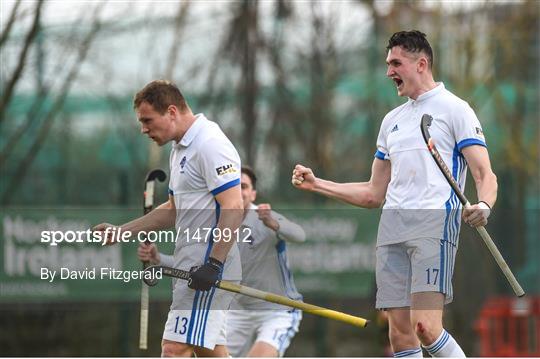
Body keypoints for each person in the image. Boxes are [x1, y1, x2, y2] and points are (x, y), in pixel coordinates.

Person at [291, 30, 497, 358]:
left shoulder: (456, 109)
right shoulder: (391, 122)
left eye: (396, 63)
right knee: (400, 335)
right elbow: (373, 193)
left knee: (426, 328)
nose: (389, 72)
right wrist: (318, 184)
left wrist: (484, 203)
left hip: (433, 225)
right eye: (388, 64)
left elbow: (485, 174)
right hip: (392, 228)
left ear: (421, 64)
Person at [93, 80, 244, 357]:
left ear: (171, 112)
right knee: (207, 349)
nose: (143, 129)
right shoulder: (180, 150)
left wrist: (214, 264)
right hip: (192, 266)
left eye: (148, 120)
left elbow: (234, 206)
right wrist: (122, 231)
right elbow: (175, 209)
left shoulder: (210, 143)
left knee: (174, 349)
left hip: (210, 265)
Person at [138, 166, 306, 357]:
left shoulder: (263, 216)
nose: (239, 191)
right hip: (237, 310)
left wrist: (274, 224)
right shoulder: (216, 221)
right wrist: (157, 258)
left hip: (276, 311)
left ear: (253, 193)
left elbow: (300, 235)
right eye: (235, 186)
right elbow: (194, 265)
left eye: (244, 186)